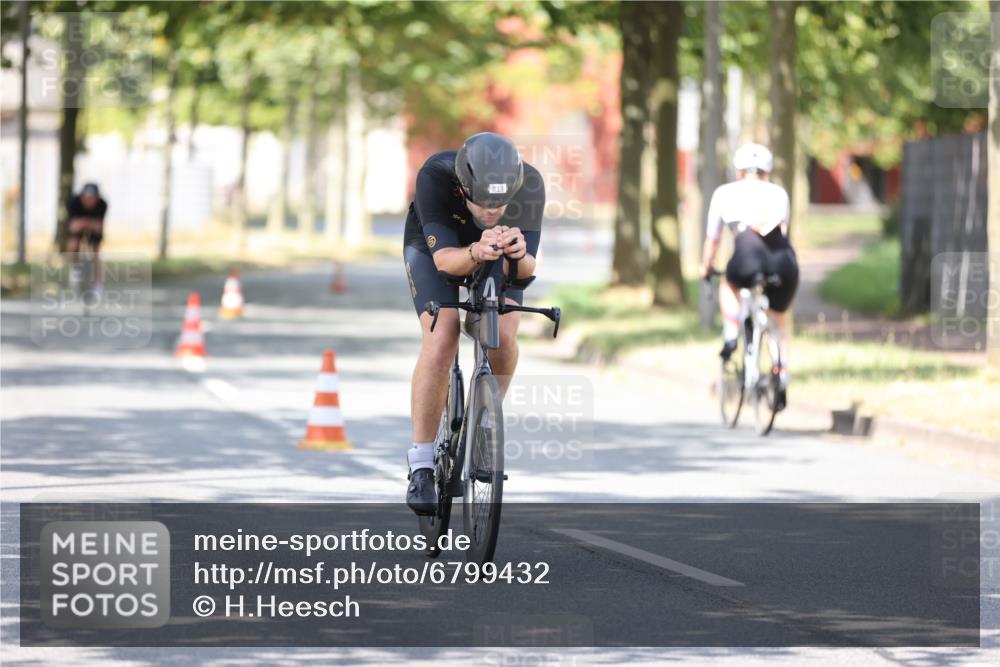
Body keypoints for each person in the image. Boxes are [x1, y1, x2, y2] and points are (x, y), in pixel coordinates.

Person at [402, 132, 545, 515]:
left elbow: (528, 268)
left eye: (500, 203)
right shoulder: (435, 175)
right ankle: (421, 464)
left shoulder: (529, 184)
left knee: (504, 338)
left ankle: (484, 425)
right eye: (482, 202)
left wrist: (518, 254)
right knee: (443, 334)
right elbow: (445, 262)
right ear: (463, 187)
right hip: (439, 248)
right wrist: (475, 250)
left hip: (496, 253)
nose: (491, 211)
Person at [699, 143, 799, 411]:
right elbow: (783, 232)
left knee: (729, 285)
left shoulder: (724, 193)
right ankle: (781, 371)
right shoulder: (779, 193)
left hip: (747, 255)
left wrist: (706, 266)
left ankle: (731, 333)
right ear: (767, 171)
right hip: (784, 261)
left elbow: (713, 239)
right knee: (778, 320)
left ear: (738, 171)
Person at [66, 183, 108, 294]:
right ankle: (75, 268)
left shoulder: (102, 204)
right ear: (82, 197)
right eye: (87, 197)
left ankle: (98, 283)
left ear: (97, 198)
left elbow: (99, 227)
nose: (89, 201)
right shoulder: (73, 203)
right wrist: (86, 223)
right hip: (79, 227)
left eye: (92, 198)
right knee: (73, 244)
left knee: (96, 252)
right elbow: (72, 226)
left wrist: (86, 223)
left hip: (93, 228)